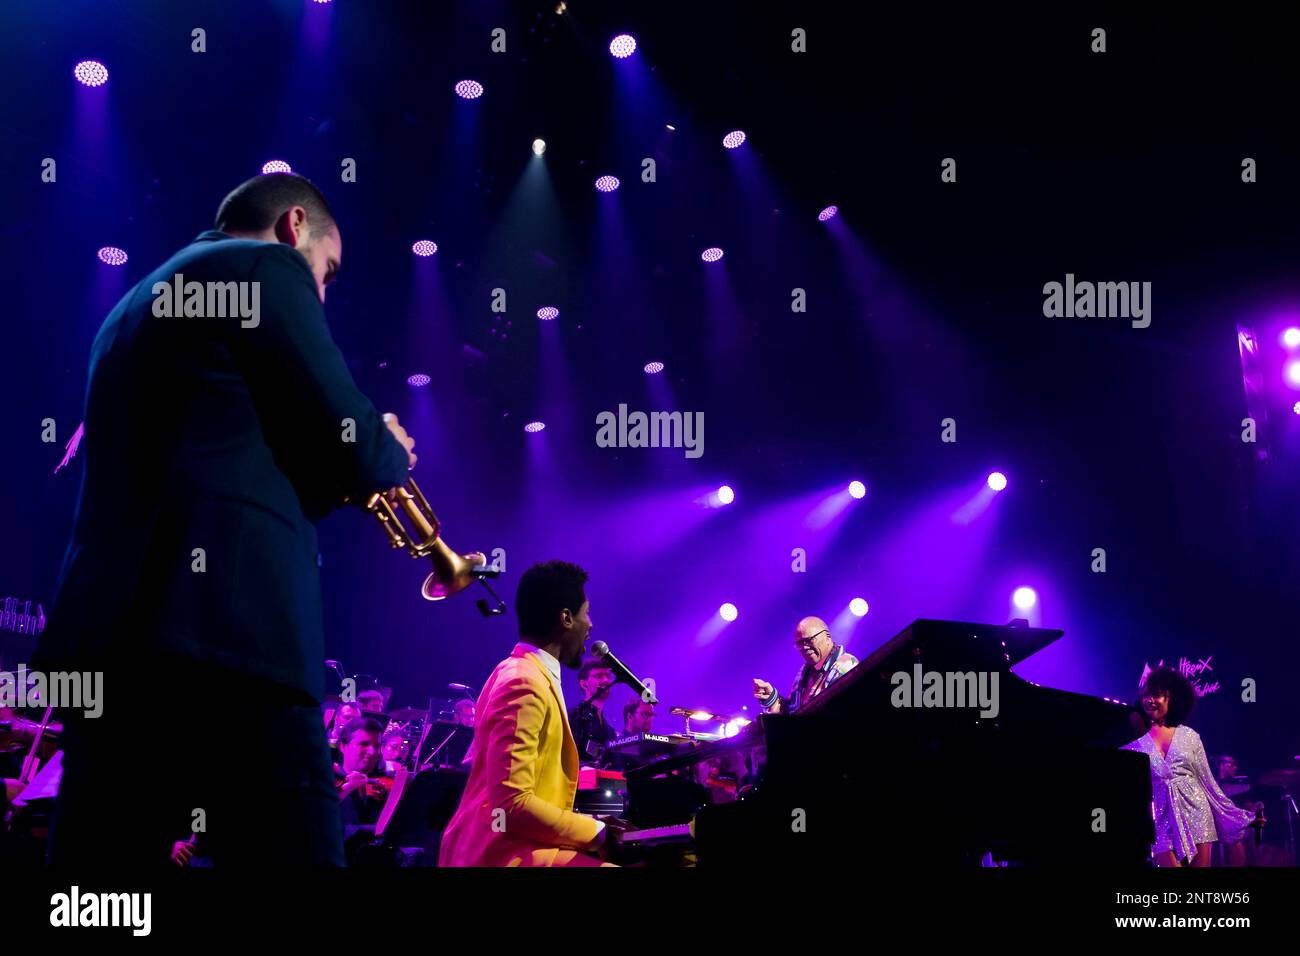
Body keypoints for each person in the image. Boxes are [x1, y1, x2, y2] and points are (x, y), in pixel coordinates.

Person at [36, 172, 416, 866]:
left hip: (108, 641)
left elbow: (216, 458)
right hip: (228, 638)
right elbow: (353, 441)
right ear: (294, 226)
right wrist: (388, 443)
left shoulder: (128, 307)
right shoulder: (264, 266)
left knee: (99, 886)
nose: (322, 293)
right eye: (327, 273)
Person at [439, 560, 625, 866]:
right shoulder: (523, 681)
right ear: (566, 617)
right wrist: (598, 833)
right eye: (586, 612)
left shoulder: (527, 673)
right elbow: (511, 804)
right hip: (500, 854)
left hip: (518, 846)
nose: (590, 625)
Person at [1122, 668, 1263, 866]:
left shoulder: (1190, 736)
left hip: (1197, 813)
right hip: (1160, 820)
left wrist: (1242, 818)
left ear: (1172, 698)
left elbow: (1209, 785)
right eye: (1146, 695)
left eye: (1156, 695)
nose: (1149, 700)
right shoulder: (1135, 741)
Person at [752, 616, 859, 714]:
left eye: (809, 640)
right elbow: (793, 713)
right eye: (800, 643)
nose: (804, 647)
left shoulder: (846, 665)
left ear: (827, 636)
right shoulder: (804, 671)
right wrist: (771, 698)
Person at [569, 657, 618, 764]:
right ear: (584, 684)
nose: (606, 680)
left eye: (608, 676)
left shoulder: (610, 730)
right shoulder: (574, 715)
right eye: (599, 676)